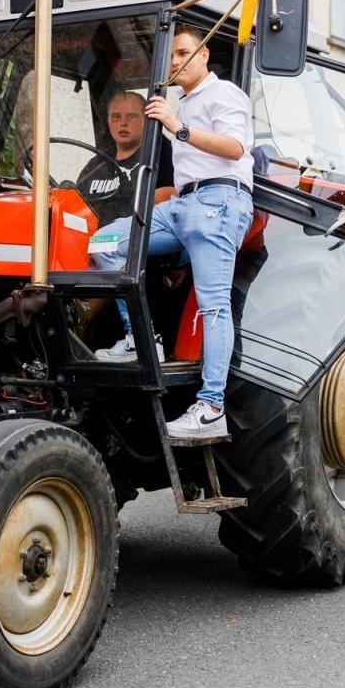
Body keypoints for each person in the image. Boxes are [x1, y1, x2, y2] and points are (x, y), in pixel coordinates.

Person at [90, 25, 255, 441]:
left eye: (184, 53)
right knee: (105, 242)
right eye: (171, 56)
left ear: (204, 56)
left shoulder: (224, 94)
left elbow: (235, 147)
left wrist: (176, 127)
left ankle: (211, 408)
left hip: (219, 201)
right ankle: (141, 339)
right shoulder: (183, 102)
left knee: (214, 306)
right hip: (183, 205)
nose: (175, 61)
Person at [74, 90, 172, 224]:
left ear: (147, 120)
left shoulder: (159, 154)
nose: (123, 123)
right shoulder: (97, 165)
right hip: (90, 235)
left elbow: (167, 200)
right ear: (108, 120)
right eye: (116, 116)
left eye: (131, 116)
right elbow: (74, 205)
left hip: (132, 234)